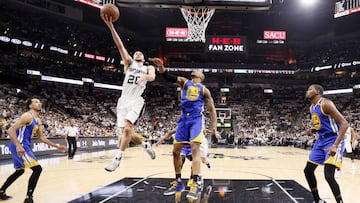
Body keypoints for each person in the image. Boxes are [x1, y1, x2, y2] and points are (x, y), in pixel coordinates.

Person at [149, 57, 218, 200]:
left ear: (201, 76)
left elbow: (212, 110)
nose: (194, 71)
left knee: (195, 148)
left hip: (195, 119)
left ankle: (196, 182)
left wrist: (215, 127)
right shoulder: (184, 82)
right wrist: (161, 67)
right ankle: (179, 181)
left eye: (196, 71)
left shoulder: (204, 90)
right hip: (183, 119)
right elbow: (167, 76)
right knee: (175, 151)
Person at [101, 13, 156, 172]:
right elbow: (120, 45)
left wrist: (146, 76)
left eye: (140, 53)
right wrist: (110, 25)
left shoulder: (147, 68)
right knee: (128, 135)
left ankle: (117, 159)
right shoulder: (129, 64)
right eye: (136, 52)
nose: (137, 53)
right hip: (123, 101)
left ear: (144, 58)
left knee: (126, 130)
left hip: (136, 100)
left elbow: (152, 76)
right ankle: (145, 144)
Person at [0, 97, 67, 203]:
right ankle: (28, 198)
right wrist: (18, 145)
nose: (39, 103)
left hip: (21, 146)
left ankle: (1, 191)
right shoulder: (27, 116)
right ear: (30, 105)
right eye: (36, 102)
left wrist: (56, 146)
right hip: (20, 145)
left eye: (39, 101)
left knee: (20, 171)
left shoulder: (38, 120)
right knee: (37, 169)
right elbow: (10, 130)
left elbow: (41, 138)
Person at [304, 84, 348, 203]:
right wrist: (314, 129)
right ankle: (317, 200)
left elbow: (344, 124)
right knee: (308, 171)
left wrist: (335, 145)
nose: (307, 91)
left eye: (310, 89)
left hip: (333, 140)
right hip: (321, 140)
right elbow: (322, 124)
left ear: (317, 92)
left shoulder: (326, 104)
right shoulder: (312, 108)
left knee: (328, 175)